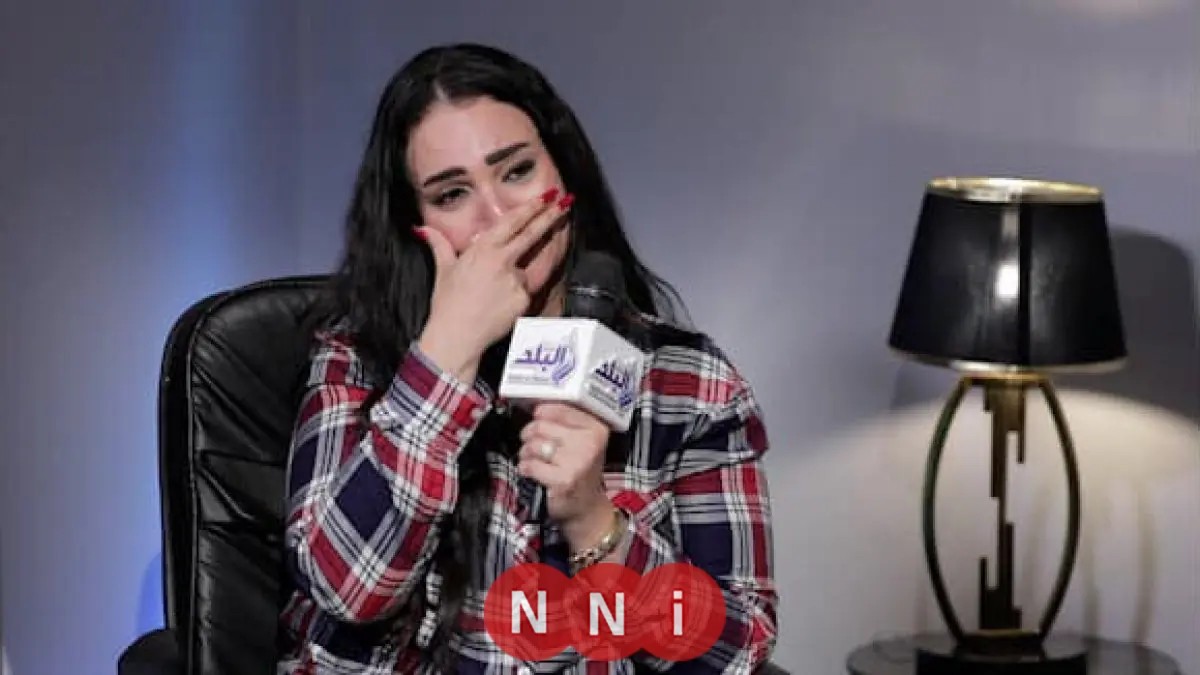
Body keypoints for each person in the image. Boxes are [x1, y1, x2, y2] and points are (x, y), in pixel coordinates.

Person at [277, 43, 778, 674]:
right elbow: (347, 590)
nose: (496, 216)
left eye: (516, 171)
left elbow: (737, 655)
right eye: (452, 194)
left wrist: (597, 527)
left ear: (564, 175)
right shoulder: (356, 358)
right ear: (414, 224)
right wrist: (445, 357)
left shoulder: (689, 384)